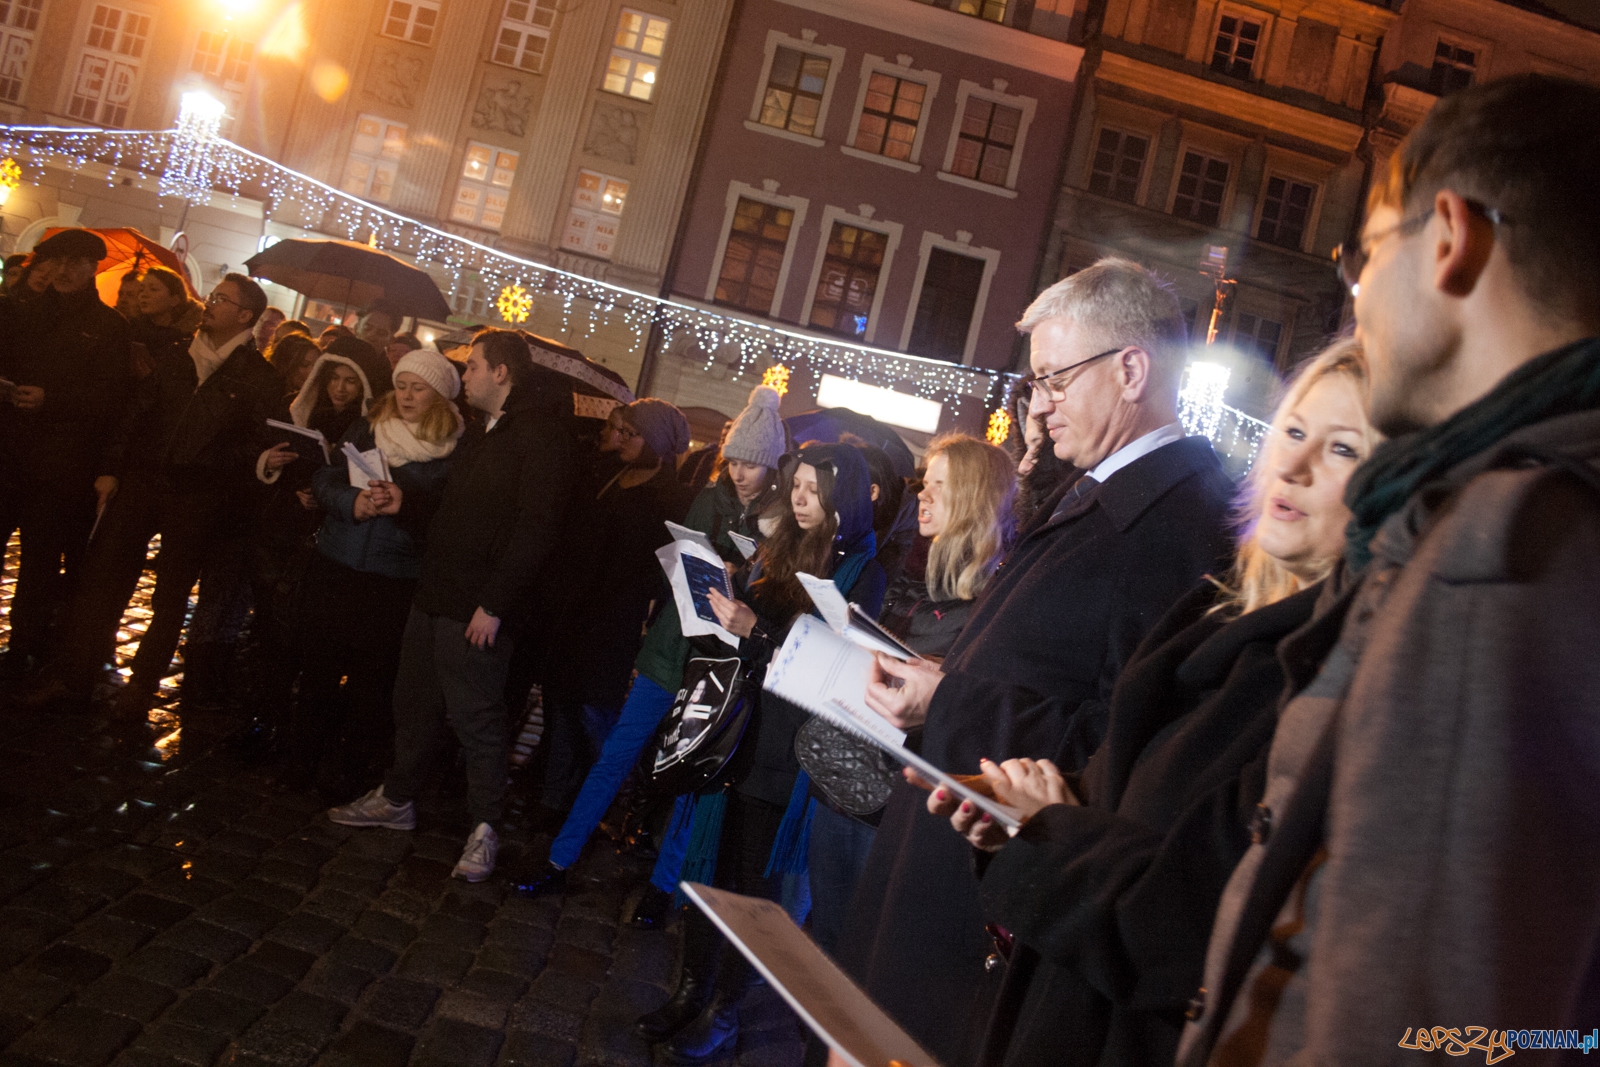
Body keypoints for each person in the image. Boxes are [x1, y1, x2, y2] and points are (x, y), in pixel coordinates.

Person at [1179, 74, 1600, 1067]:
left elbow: (1432, 1021)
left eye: (1366, 253)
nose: (1355, 296)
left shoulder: (1504, 551)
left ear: (1450, 239)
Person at [928, 341, 1377, 1067]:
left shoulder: (1328, 678)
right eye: (1294, 431)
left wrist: (1051, 831)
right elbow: (1129, 792)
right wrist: (1026, 811)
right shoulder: (1213, 617)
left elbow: (1192, 912)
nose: (1295, 464)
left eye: (1343, 449)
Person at [840, 258, 1237, 1067]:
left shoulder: (1179, 526)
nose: (1039, 404)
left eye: (1055, 379)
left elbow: (1129, 748)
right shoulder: (1104, 492)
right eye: (1035, 383)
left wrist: (948, 704)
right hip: (951, 876)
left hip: (985, 918)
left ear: (1131, 370)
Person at [637, 443, 885, 1066]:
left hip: (786, 753)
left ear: (842, 498)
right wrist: (722, 595)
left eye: (813, 491)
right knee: (707, 874)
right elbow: (747, 638)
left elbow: (835, 672)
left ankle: (723, 1009)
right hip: (737, 735)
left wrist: (757, 629)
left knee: (752, 893)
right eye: (796, 486)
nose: (799, 500)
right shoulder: (782, 547)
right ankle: (689, 991)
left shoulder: (863, 571)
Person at [512, 384, 786, 905]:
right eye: (734, 461)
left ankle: (663, 888)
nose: (739, 473)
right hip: (671, 648)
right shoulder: (708, 498)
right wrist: (694, 569)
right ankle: (560, 857)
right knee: (616, 755)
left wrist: (744, 580)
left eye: (751, 464)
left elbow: (773, 599)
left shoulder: (781, 519)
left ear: (771, 465)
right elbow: (671, 571)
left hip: (720, 663)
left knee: (690, 774)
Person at [327, 330, 578, 883]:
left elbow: (536, 530)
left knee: (477, 717)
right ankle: (397, 798)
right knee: (413, 702)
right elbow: (454, 510)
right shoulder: (483, 431)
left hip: (477, 606)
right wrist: (407, 504)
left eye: (473, 367)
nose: (464, 377)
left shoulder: (540, 436)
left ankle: (486, 827)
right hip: (437, 592)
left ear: (502, 372)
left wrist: (495, 603)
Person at [22, 273, 282, 714]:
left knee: (171, 594)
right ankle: (75, 675)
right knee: (104, 580)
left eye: (221, 299)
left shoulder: (259, 377)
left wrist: (214, 460)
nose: (210, 304)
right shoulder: (177, 354)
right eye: (212, 296)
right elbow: (136, 414)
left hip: (198, 493)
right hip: (142, 480)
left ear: (245, 316)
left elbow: (259, 442)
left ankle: (141, 687)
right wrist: (111, 469)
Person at [803, 434, 1015, 968]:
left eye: (940, 485)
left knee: (862, 957)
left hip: (899, 803)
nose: (923, 494)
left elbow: (970, 712)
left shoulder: (994, 598)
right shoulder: (906, 565)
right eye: (925, 482)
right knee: (826, 938)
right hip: (844, 776)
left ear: (973, 497)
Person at [291, 349, 463, 796]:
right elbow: (326, 477)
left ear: (439, 395)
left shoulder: (456, 448)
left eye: (418, 388)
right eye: (401, 386)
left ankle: (351, 770)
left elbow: (447, 518)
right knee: (318, 670)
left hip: (393, 577)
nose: (406, 395)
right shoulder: (369, 426)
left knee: (372, 682)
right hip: (336, 562)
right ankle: (301, 761)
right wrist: (353, 501)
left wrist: (404, 505)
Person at [535, 397, 694, 815]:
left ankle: (603, 800)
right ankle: (553, 798)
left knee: (594, 710)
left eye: (631, 433)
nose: (620, 439)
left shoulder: (671, 498)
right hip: (576, 608)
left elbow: (664, 567)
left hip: (616, 618)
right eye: (620, 431)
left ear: (655, 441)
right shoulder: (610, 474)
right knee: (561, 702)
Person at [0, 229, 132, 676]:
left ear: (92, 268)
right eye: (57, 261)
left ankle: (23, 647)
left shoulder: (109, 327)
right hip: (9, 451)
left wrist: (51, 399)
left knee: (39, 563)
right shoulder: (23, 313)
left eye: (75, 263)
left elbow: (110, 399)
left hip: (60, 464)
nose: (63, 271)